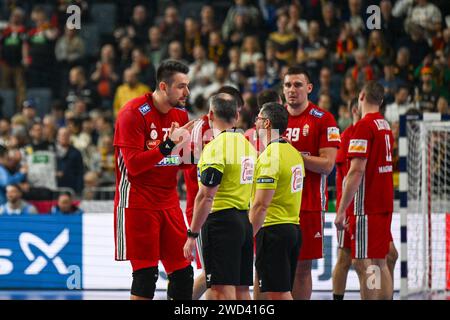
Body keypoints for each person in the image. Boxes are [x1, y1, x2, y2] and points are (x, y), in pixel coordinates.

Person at [113, 60, 195, 300]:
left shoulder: (180, 114)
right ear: (163, 86)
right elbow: (135, 165)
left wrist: (203, 148)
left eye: (187, 86)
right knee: (146, 275)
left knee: (182, 272)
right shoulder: (132, 113)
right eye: (181, 87)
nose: (187, 92)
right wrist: (169, 144)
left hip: (168, 201)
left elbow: (184, 162)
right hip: (137, 201)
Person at [183, 93, 257, 300]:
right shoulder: (248, 146)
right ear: (236, 115)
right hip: (243, 220)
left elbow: (206, 196)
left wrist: (192, 235)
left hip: (220, 222)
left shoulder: (215, 148)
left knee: (219, 290)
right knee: (241, 290)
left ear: (210, 115)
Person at [283, 66, 340, 300]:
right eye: (287, 85)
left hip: (309, 204)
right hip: (274, 204)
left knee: (302, 269)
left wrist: (292, 154)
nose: (292, 90)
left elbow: (327, 165)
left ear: (309, 88)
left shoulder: (324, 119)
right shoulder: (274, 118)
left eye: (297, 85)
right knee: (266, 267)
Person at [335, 81, 395, 300]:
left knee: (364, 263)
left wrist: (341, 210)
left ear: (361, 97)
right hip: (384, 202)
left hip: (366, 206)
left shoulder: (363, 126)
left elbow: (356, 171)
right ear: (380, 101)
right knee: (379, 262)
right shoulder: (385, 125)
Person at [249, 102, 304, 300]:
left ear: (267, 123)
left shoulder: (270, 157)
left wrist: (247, 236)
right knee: (281, 291)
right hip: (292, 228)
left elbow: (261, 204)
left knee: (279, 294)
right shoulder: (293, 153)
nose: (255, 122)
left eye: (258, 118)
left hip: (274, 230)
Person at [332, 98, 360, 300]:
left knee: (388, 255)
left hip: (365, 206)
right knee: (345, 257)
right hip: (351, 206)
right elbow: (346, 175)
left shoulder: (368, 131)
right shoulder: (348, 136)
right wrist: (344, 210)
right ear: (355, 110)